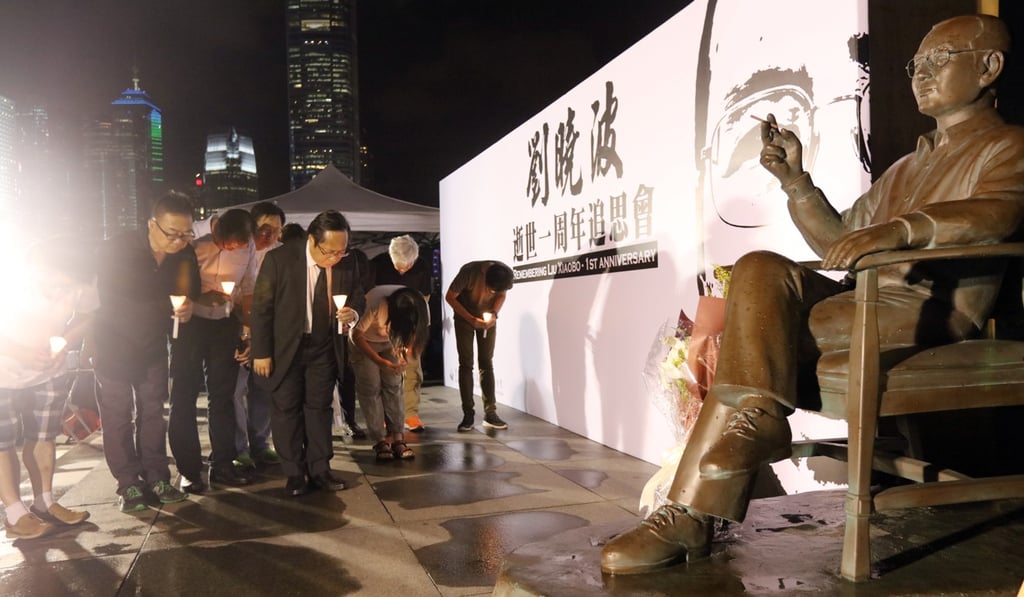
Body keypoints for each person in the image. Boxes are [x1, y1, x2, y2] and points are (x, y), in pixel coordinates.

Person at [600, 14, 1024, 575]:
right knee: (758, 267)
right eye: (915, 64)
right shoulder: (907, 165)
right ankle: (754, 424)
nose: (921, 75)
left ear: (989, 66)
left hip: (927, 310)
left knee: (759, 342)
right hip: (864, 300)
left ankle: (690, 514)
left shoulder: (1007, 145)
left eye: (938, 60)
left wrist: (898, 230)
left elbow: (996, 213)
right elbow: (840, 241)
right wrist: (796, 182)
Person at [91, 191, 199, 513]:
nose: (180, 241)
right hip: (114, 344)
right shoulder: (117, 248)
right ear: (152, 224)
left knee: (153, 412)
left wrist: (188, 307)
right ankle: (128, 483)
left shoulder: (184, 254)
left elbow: (190, 291)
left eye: (186, 233)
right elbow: (110, 297)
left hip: (153, 345)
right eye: (173, 233)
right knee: (117, 416)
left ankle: (157, 477)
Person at [251, 210, 365, 497]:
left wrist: (353, 313)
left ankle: (320, 469)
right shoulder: (280, 259)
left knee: (319, 409)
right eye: (330, 251)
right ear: (312, 241)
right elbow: (262, 308)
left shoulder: (346, 264)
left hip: (324, 346)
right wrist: (261, 352)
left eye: (342, 250)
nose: (336, 257)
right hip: (286, 347)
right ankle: (294, 473)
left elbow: (358, 296)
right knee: (286, 410)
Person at [0, 238, 97, 538]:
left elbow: (87, 314)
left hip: (48, 371)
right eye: (54, 284)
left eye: (66, 287)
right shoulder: (11, 282)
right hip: (4, 370)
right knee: (3, 443)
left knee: (43, 437)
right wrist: (20, 352)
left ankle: (44, 502)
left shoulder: (79, 278)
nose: (60, 292)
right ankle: (14, 512)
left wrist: (66, 339)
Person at [169, 208, 257, 492]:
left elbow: (249, 287)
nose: (230, 249)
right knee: (184, 395)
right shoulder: (192, 235)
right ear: (216, 230)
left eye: (237, 247)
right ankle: (188, 470)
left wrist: (248, 332)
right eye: (225, 244)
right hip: (189, 323)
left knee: (224, 396)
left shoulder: (248, 245)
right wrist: (198, 296)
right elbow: (172, 279)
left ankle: (223, 464)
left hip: (224, 325)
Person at [231, 202, 285, 471]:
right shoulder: (236, 249)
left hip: (267, 333)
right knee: (234, 391)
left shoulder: (280, 256)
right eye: (265, 229)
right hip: (237, 328)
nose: (270, 236)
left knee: (263, 391)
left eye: (277, 231)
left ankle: (261, 444)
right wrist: (245, 333)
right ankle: (238, 448)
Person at [350, 286, 429, 460]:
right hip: (365, 341)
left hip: (391, 342)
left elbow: (417, 335)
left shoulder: (420, 306)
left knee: (394, 386)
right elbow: (356, 336)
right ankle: (379, 440)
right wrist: (379, 361)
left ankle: (398, 438)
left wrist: (405, 356)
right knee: (371, 388)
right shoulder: (376, 302)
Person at [371, 235, 433, 433]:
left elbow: (424, 298)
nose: (402, 270)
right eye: (398, 267)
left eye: (407, 267)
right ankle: (385, 416)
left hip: (411, 322)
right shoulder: (377, 265)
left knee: (412, 368)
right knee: (385, 371)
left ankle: (410, 414)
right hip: (383, 323)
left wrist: (419, 325)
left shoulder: (422, 266)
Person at [445, 260, 514, 431]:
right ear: (485, 278)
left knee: (486, 362)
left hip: (487, 320)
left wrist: (493, 314)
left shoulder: (502, 274)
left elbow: (502, 295)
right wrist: (471, 319)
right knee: (466, 364)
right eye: (491, 290)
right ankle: (468, 414)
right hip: (464, 319)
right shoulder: (469, 272)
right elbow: (450, 297)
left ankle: (490, 413)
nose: (492, 293)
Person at [334, 246, 373, 440]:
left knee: (346, 375)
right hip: (318, 332)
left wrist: (353, 315)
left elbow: (360, 294)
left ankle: (349, 421)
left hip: (345, 327)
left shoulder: (354, 261)